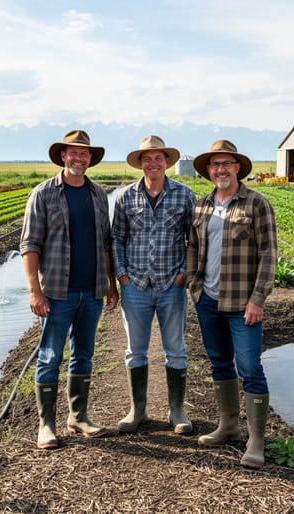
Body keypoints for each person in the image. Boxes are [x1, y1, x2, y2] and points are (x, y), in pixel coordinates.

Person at [20, 129, 119, 450]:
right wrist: (35, 290)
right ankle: (46, 425)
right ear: (62, 156)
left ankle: (78, 416)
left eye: (84, 153)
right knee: (50, 355)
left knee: (84, 354)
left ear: (91, 159)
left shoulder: (98, 194)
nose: (78, 158)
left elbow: (105, 243)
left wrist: (110, 283)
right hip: (56, 292)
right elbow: (30, 244)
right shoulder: (44, 193)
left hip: (91, 291)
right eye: (72, 152)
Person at [185, 139, 278, 468]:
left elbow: (269, 254)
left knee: (250, 367)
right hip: (208, 299)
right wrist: (193, 285)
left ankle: (256, 440)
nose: (220, 170)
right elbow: (194, 248)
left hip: (243, 304)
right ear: (208, 170)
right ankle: (228, 426)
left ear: (238, 167)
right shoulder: (202, 205)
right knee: (220, 362)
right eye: (215, 165)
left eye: (227, 164)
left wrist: (258, 299)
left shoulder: (256, 203)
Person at [112, 135, 196, 434]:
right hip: (135, 285)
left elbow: (194, 240)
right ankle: (137, 410)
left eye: (158, 158)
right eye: (147, 158)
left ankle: (177, 411)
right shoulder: (125, 197)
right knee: (136, 350)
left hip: (171, 285)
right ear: (140, 163)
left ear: (167, 162)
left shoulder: (184, 195)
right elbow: (117, 239)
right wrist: (122, 276)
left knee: (176, 349)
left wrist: (183, 274)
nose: (153, 163)